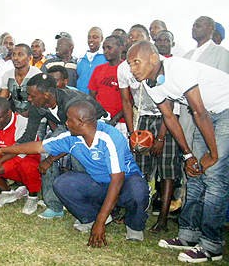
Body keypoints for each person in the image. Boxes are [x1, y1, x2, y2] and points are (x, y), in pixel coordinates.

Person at [0, 100, 149, 245]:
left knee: (137, 190)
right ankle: (91, 218)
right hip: (99, 183)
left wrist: (101, 223)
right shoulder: (71, 137)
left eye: (69, 119)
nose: (66, 123)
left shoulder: (110, 138)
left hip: (124, 182)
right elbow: (37, 146)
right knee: (63, 184)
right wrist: (3, 150)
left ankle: (134, 227)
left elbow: (117, 181)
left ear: (82, 122)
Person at [127, 40, 229, 263]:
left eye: (136, 62)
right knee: (194, 174)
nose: (133, 69)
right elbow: (170, 117)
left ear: (154, 58)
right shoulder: (151, 84)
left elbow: (199, 111)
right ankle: (189, 235)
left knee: (214, 177)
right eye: (130, 64)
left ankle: (212, 245)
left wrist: (212, 154)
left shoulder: (178, 69)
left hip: (224, 110)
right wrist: (188, 155)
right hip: (206, 115)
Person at [118, 24, 182, 233]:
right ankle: (136, 212)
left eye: (139, 37)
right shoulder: (123, 68)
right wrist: (132, 132)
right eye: (130, 36)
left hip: (168, 120)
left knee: (167, 170)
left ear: (148, 41)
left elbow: (170, 106)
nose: (133, 39)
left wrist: (161, 137)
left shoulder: (164, 65)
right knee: (139, 169)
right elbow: (127, 102)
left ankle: (162, 219)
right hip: (142, 119)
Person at [17, 73, 107, 219]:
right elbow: (28, 136)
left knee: (78, 156)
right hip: (69, 127)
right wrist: (2, 154)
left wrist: (50, 160)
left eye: (32, 95)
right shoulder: (37, 104)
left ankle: (90, 208)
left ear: (46, 94)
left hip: (95, 126)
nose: (29, 99)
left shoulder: (72, 102)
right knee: (46, 151)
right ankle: (54, 206)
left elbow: (75, 140)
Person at [181, 16, 229, 150]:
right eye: (193, 26)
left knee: (214, 163)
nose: (193, 29)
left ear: (210, 29)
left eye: (198, 26)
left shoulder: (221, 53)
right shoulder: (187, 56)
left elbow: (222, 88)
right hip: (188, 117)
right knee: (192, 159)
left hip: (212, 117)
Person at [88, 35, 126, 135]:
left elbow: (129, 100)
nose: (106, 51)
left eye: (109, 48)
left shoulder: (127, 70)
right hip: (100, 121)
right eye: (104, 48)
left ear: (120, 48)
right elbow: (92, 97)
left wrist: (114, 120)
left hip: (121, 122)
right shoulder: (98, 69)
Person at [0, 43, 41, 116]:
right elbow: (2, 99)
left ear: (29, 58)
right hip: (15, 117)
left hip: (35, 116)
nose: (15, 58)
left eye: (20, 54)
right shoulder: (7, 75)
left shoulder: (36, 74)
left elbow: (40, 102)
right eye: (13, 54)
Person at [76, 27, 107, 94]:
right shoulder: (81, 58)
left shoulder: (106, 58)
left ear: (101, 39)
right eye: (89, 37)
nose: (91, 40)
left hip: (98, 99)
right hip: (81, 98)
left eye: (95, 37)